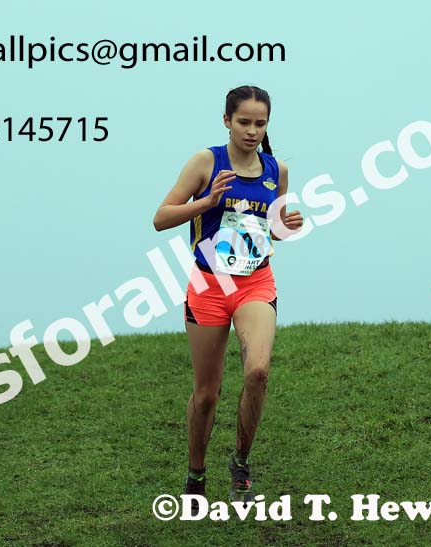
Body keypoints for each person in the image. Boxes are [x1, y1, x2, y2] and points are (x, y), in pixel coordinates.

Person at [153, 86, 303, 504]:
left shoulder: (277, 170)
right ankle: (195, 475)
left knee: (258, 371)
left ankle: (240, 462)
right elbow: (161, 219)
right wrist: (208, 201)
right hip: (208, 286)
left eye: (260, 123)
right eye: (244, 122)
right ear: (226, 121)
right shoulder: (206, 162)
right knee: (206, 395)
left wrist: (288, 224)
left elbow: (273, 228)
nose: (252, 131)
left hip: (256, 282)